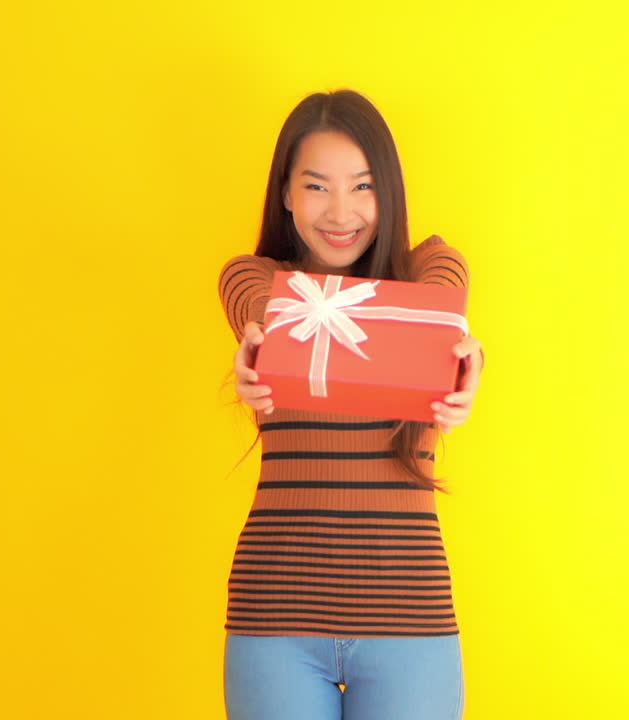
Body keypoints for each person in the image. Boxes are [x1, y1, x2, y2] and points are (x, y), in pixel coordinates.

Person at [216, 90, 484, 720]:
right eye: (316, 187)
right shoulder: (257, 284)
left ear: (388, 194)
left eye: (362, 187)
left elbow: (445, 300)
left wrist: (464, 363)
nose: (341, 212)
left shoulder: (427, 275)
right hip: (275, 619)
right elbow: (256, 300)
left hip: (410, 621)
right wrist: (264, 341)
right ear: (285, 194)